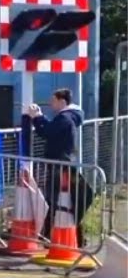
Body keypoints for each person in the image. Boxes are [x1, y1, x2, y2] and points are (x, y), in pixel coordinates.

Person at [25, 89, 91, 245]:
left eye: (53, 100)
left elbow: (48, 132)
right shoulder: (70, 117)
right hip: (64, 164)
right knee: (67, 202)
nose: (50, 103)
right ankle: (66, 238)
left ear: (62, 102)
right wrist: (40, 118)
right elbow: (52, 130)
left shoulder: (65, 118)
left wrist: (37, 118)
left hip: (59, 165)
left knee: (56, 201)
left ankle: (49, 236)